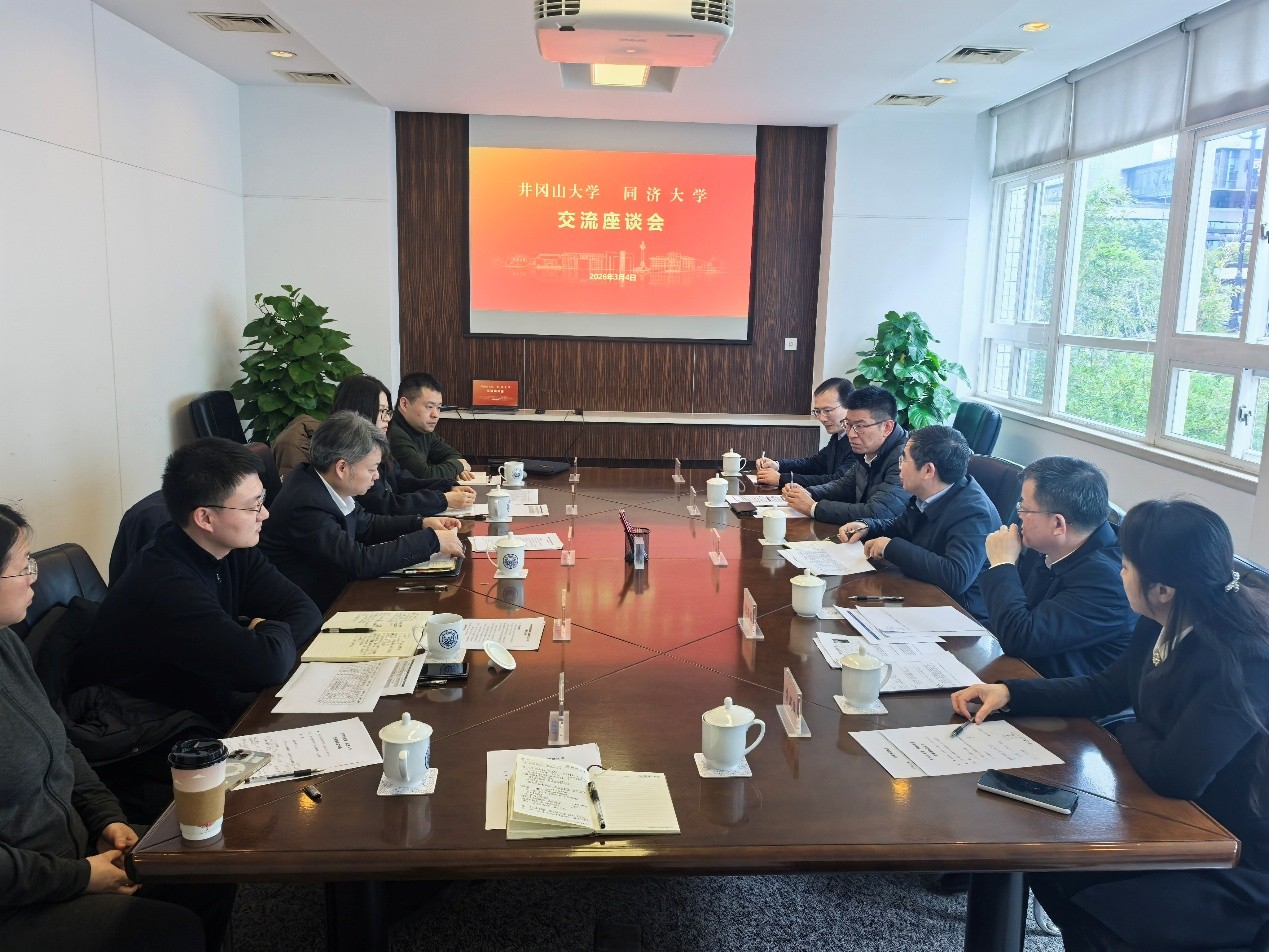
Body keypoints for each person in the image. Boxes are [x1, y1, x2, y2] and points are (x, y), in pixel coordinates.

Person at [952, 500, 1269, 951]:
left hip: (1231, 851)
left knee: (1092, 905)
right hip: (1166, 811)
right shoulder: (1161, 621)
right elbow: (1106, 688)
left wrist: (1124, 730)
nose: (1119, 573)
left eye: (1126, 566)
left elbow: (1176, 773)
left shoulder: (1244, 660)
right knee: (1043, 856)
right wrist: (1012, 693)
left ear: (1163, 589)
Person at [0, 504, 233, 952]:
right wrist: (82, 877)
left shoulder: (7, 643)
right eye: (23, 566)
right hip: (22, 899)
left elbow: (61, 747)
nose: (33, 579)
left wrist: (107, 818)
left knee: (209, 865)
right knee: (169, 930)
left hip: (72, 852)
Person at [70, 439, 322, 820]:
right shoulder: (165, 583)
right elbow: (266, 664)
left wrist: (259, 632)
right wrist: (259, 635)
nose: (266, 514)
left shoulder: (231, 548)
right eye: (253, 506)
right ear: (205, 517)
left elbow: (305, 611)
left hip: (200, 705)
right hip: (151, 738)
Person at [261, 411, 465, 611]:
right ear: (342, 468)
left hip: (337, 592)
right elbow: (359, 562)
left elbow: (366, 524)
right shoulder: (306, 504)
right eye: (371, 469)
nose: (377, 476)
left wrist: (421, 523)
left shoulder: (325, 482)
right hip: (310, 610)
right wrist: (431, 540)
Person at [980, 457, 1135, 678]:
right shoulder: (1051, 543)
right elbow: (1022, 612)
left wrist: (1003, 563)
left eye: (1024, 508)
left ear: (1058, 524)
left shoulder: (1108, 581)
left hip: (1060, 691)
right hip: (1024, 671)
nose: (1019, 516)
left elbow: (1020, 638)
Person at [840, 425, 994, 622]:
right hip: (924, 591)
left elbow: (956, 577)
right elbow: (902, 527)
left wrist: (889, 547)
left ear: (928, 470)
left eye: (903, 459)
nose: (899, 466)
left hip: (959, 615)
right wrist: (868, 527)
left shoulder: (973, 512)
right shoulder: (931, 492)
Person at [276, 374, 476, 515]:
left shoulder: (377, 445)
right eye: (382, 412)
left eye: (388, 411)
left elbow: (403, 480)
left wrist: (447, 486)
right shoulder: (350, 455)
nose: (387, 419)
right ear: (360, 412)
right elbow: (383, 505)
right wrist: (442, 499)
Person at [780, 386, 910, 524]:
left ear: (887, 427)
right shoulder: (869, 450)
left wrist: (813, 508)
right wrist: (809, 492)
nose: (851, 434)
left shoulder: (906, 458)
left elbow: (879, 512)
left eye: (859, 426)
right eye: (847, 424)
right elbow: (844, 486)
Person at [755, 378, 855, 488]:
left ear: (849, 406)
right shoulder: (839, 436)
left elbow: (839, 481)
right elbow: (816, 464)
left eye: (827, 410)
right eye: (818, 411)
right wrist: (778, 465)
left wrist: (782, 479)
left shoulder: (859, 442)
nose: (821, 418)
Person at [388, 372, 475, 482]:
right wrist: (458, 466)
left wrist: (456, 466)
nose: (435, 414)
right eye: (429, 407)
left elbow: (452, 454)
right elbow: (424, 476)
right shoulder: (392, 433)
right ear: (404, 404)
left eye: (438, 407)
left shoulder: (422, 429)